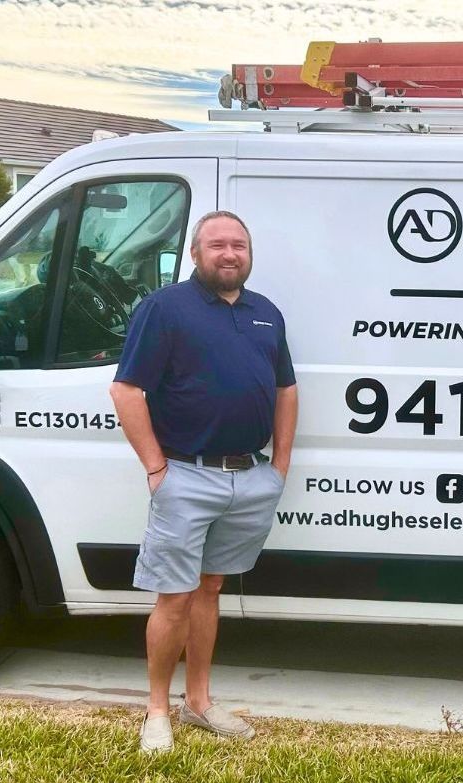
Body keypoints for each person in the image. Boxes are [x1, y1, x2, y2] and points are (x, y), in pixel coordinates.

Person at [110, 210, 298, 753]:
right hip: (185, 475)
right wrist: (156, 468)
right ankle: (155, 711)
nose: (229, 253)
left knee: (210, 589)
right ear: (195, 254)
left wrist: (279, 465)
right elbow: (127, 391)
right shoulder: (165, 309)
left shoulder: (266, 314)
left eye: (239, 244)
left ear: (250, 253)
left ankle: (198, 703)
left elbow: (286, 390)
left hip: (249, 476)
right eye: (217, 244)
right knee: (174, 597)